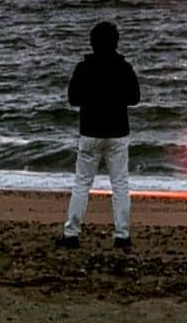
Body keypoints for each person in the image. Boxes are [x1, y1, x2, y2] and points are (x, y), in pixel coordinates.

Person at [59, 21, 140, 250]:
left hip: (90, 131)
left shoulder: (84, 68)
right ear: (116, 42)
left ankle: (71, 233)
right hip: (117, 131)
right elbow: (135, 98)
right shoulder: (124, 67)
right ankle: (122, 235)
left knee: (82, 183)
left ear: (92, 43)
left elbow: (73, 99)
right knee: (120, 184)